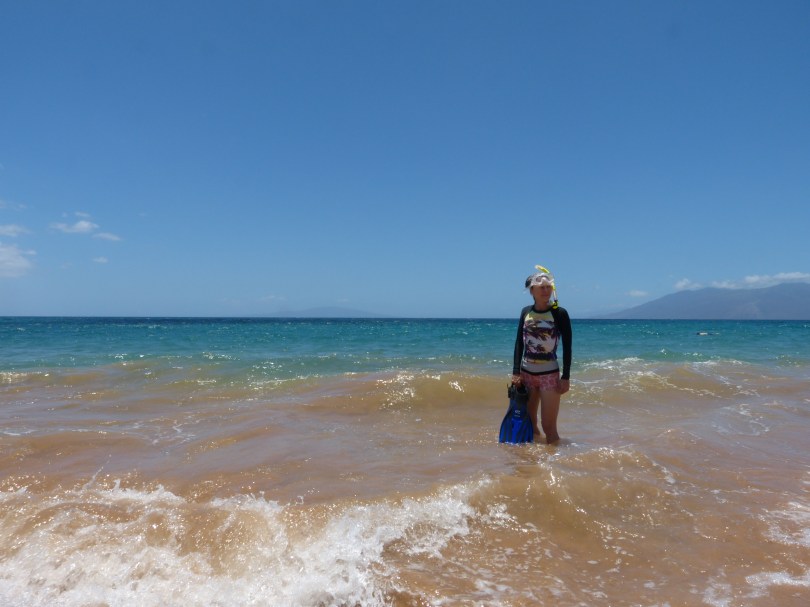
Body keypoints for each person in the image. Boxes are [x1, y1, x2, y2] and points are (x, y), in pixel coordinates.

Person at [511, 266, 572, 444]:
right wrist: (516, 372)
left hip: (549, 375)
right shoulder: (525, 312)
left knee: (549, 426)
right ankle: (535, 457)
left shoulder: (559, 313)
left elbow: (568, 346)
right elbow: (519, 342)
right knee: (529, 422)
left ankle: (554, 460)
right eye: (541, 288)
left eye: (548, 287)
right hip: (526, 374)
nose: (546, 291)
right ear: (532, 291)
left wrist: (566, 377)